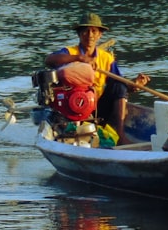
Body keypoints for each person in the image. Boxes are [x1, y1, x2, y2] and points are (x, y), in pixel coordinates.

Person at [45, 13, 149, 145]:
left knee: (119, 85)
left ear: (100, 35)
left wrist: (134, 85)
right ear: (79, 34)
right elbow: (49, 60)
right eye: (85, 31)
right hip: (72, 108)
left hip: (97, 108)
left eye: (94, 31)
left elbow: (119, 87)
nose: (90, 35)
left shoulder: (106, 58)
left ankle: (121, 135)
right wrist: (80, 58)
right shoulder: (70, 52)